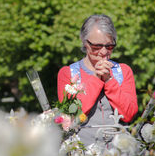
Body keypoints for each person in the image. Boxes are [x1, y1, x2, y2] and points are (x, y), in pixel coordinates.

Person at [57, 14, 138, 146]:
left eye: (109, 46)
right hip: (82, 154)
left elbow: (129, 114)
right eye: (96, 47)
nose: (103, 51)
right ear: (84, 42)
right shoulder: (68, 73)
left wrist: (109, 80)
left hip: (119, 154)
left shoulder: (123, 71)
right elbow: (70, 117)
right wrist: (96, 78)